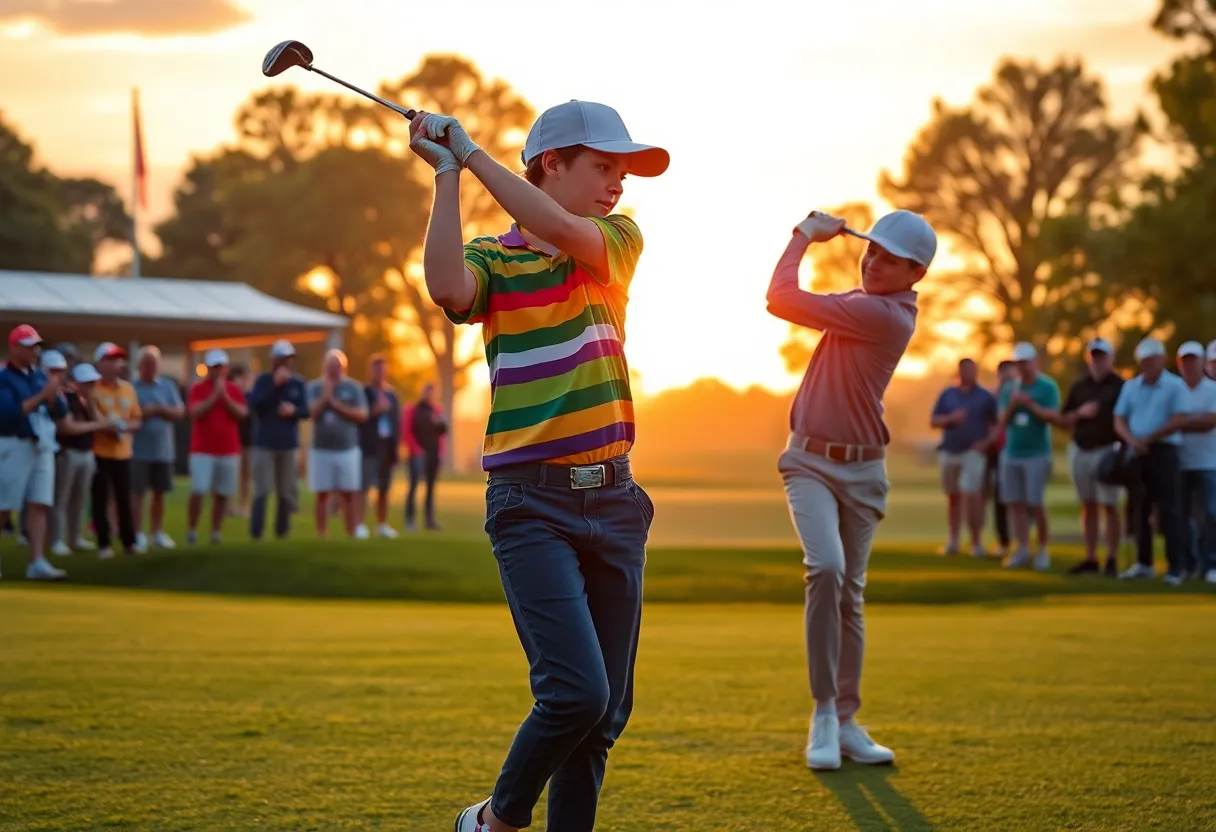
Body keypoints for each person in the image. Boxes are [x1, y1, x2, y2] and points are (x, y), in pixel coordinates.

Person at [412, 99, 665, 832]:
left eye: (623, 171)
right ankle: (496, 818)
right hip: (531, 503)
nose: (618, 183)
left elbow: (557, 228)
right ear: (550, 163)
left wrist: (473, 152)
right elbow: (447, 289)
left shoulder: (616, 238)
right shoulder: (494, 258)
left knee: (603, 719)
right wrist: (448, 177)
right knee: (576, 693)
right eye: (602, 166)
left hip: (615, 500)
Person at [766, 208, 935, 773]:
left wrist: (802, 236)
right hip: (810, 463)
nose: (873, 261)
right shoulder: (865, 307)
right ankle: (822, 713)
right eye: (871, 250)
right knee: (828, 570)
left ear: (915, 274)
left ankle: (845, 719)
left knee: (850, 597)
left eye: (889, 258)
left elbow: (781, 297)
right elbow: (786, 302)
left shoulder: (884, 315)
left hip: (864, 473)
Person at [1113, 337, 1193, 583]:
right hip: (1138, 453)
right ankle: (1144, 563)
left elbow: (1180, 419)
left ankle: (1175, 567)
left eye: (1152, 359)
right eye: (1144, 361)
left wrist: (1149, 437)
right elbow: (1119, 419)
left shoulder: (1175, 385)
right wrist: (1133, 440)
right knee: (1140, 508)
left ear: (1162, 359)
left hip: (1165, 452)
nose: (1149, 364)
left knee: (1170, 510)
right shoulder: (1131, 386)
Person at [0, 327, 68, 580]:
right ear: (14, 348)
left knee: (40, 503)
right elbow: (8, 414)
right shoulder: (4, 378)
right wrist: (42, 396)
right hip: (13, 444)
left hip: (42, 446)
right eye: (28, 346)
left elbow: (60, 411)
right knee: (5, 505)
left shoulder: (39, 376)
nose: (34, 350)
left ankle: (36, 561)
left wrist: (54, 396)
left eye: (36, 346)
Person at [1056, 338, 1125, 577]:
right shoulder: (1079, 387)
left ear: (1110, 358)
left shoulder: (1119, 386)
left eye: (1102, 357)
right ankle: (1091, 557)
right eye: (1094, 357)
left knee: (1110, 504)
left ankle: (1113, 558)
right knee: (1088, 504)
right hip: (1081, 450)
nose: (1098, 361)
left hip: (1107, 450)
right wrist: (1079, 413)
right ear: (1089, 358)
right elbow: (1062, 420)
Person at [993, 342, 1059, 571]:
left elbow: (1053, 416)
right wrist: (1013, 403)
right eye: (1018, 363)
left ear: (1034, 362)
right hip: (1012, 453)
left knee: (1035, 504)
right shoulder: (1010, 388)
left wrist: (1031, 405)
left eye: (1025, 363)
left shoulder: (1047, 386)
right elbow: (1001, 421)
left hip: (1037, 454)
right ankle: (1021, 548)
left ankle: (1042, 549)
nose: (1022, 367)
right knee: (1015, 505)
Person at [930, 357, 998, 557]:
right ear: (959, 371)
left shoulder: (985, 397)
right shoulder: (948, 394)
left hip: (973, 452)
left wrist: (984, 444)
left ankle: (976, 543)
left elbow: (995, 427)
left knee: (972, 494)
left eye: (973, 369)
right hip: (949, 451)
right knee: (953, 497)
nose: (970, 373)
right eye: (966, 369)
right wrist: (951, 418)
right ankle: (953, 541)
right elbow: (934, 420)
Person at [50, 362, 115, 555]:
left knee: (79, 499)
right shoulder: (68, 400)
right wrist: (96, 424)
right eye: (87, 383)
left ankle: (75, 537)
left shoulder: (88, 402)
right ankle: (57, 540)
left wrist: (94, 415)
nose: (91, 386)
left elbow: (100, 423)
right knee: (61, 498)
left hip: (87, 453)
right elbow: (69, 428)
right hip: (69, 453)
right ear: (76, 383)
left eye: (93, 383)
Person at [247, 340, 308, 540]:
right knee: (262, 489)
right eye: (283, 359)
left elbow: (306, 411)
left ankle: (282, 533)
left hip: (287, 444)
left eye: (289, 359)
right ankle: (257, 532)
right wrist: (275, 385)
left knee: (285, 492)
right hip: (265, 443)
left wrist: (294, 411)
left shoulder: (298, 382)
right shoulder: (263, 381)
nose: (286, 363)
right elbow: (256, 406)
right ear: (274, 360)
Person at [185, 349, 247, 544]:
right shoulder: (197, 389)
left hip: (228, 450)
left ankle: (215, 532)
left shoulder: (234, 390)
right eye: (214, 367)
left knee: (222, 493)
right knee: (199, 491)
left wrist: (225, 397)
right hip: (202, 449)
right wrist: (214, 396)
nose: (217, 371)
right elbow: (195, 412)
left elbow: (241, 414)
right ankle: (192, 530)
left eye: (220, 367)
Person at [90, 342, 144, 558]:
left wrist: (121, 427)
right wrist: (108, 426)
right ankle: (104, 543)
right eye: (110, 360)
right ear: (100, 363)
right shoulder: (93, 388)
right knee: (100, 499)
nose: (115, 364)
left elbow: (136, 420)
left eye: (117, 360)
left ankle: (129, 542)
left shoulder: (128, 389)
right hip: (99, 452)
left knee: (124, 498)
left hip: (122, 452)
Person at [306, 349, 367, 539]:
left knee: (349, 493)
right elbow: (310, 413)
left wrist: (336, 405)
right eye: (330, 366)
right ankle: (322, 534)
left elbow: (362, 415)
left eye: (337, 367)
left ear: (344, 368)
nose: (334, 370)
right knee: (322, 494)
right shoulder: (314, 387)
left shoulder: (354, 388)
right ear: (324, 367)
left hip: (346, 449)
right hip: (321, 449)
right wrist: (325, 397)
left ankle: (351, 532)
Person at [130, 346, 185, 550]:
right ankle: (137, 533)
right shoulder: (131, 387)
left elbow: (180, 412)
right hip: (138, 450)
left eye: (154, 364)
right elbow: (128, 414)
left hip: (163, 450)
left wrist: (161, 409)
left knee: (159, 493)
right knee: (137, 493)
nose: (151, 368)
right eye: (147, 364)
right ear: (139, 366)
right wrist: (145, 412)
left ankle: (157, 532)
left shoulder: (167, 387)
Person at [1175, 341, 1216, 582]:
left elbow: (1209, 422)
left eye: (1194, 360)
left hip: (1209, 462)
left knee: (1211, 514)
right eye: (1185, 360)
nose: (1190, 365)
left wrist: (1179, 421)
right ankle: (1186, 563)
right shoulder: (1174, 388)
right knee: (1180, 516)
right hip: (1179, 462)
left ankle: (1210, 563)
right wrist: (1184, 421)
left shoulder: (1212, 389)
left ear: (1202, 363)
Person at [356, 354, 401, 539]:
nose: (380, 372)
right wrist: (375, 410)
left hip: (387, 445)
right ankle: (359, 525)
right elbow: (360, 417)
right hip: (369, 445)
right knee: (364, 486)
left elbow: (397, 422)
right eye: (377, 369)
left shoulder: (392, 394)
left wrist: (396, 448)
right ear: (371, 371)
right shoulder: (365, 392)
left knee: (384, 487)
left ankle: (382, 524)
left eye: (383, 369)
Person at [403, 382, 447, 531]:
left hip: (433, 454)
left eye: (431, 392)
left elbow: (443, 431)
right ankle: (410, 520)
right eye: (427, 391)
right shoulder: (413, 410)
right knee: (413, 486)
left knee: (430, 488)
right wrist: (416, 449)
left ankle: (429, 520)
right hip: (417, 455)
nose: (429, 395)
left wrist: (441, 453)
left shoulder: (436, 411)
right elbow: (407, 432)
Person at [987, 360, 1017, 555]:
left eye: (1009, 371)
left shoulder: (1019, 392)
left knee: (1018, 499)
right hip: (997, 453)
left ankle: (1019, 542)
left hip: (1016, 450)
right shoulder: (993, 396)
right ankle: (1004, 541)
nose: (1006, 375)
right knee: (999, 497)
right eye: (1002, 372)